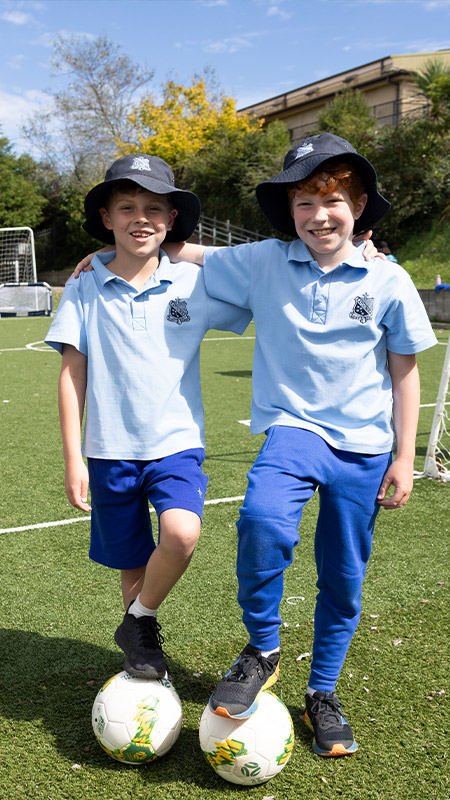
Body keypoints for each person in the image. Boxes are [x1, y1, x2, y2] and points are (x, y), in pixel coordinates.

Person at [160, 133, 437, 757]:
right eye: (304, 202)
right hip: (294, 429)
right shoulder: (263, 261)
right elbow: (191, 252)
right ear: (290, 212)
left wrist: (403, 456)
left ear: (359, 205)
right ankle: (262, 648)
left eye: (332, 199)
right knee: (260, 520)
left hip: (365, 447)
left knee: (343, 574)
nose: (318, 214)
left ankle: (322, 694)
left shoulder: (390, 280)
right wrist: (117, 247)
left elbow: (404, 371)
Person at [45, 154, 252, 681]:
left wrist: (181, 250)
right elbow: (72, 376)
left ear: (172, 220)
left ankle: (140, 620)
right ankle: (141, 647)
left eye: (155, 209)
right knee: (132, 560)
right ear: (107, 217)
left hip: (176, 443)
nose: (141, 218)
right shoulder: (86, 286)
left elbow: (259, 277)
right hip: (108, 449)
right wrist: (75, 460)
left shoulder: (193, 283)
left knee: (181, 533)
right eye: (128, 207)